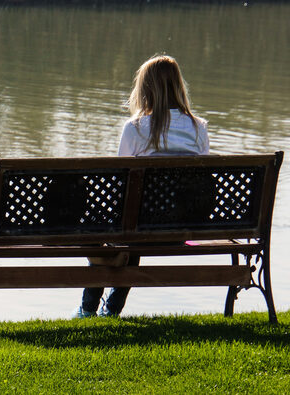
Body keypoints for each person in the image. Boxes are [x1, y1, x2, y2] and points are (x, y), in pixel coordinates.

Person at [74, 54, 209, 319]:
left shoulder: (135, 128)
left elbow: (120, 183)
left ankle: (90, 309)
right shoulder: (198, 128)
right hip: (180, 228)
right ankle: (109, 309)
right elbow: (198, 184)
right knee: (132, 227)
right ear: (179, 87)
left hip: (138, 226)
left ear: (144, 89)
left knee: (120, 228)